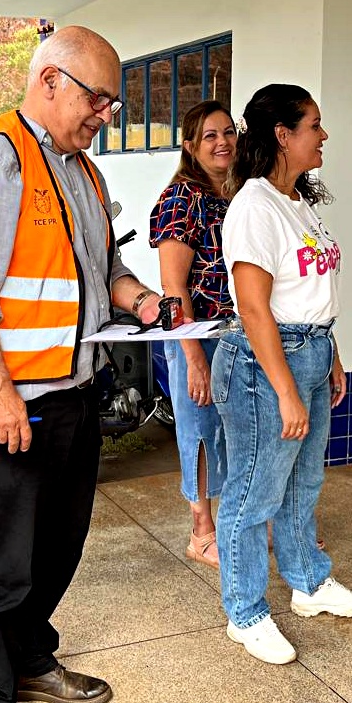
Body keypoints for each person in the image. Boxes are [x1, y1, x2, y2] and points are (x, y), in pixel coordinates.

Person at [0, 25, 164, 703]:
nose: (106, 114)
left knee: (59, 541)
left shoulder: (83, 174)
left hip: (72, 391)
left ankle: (32, 656)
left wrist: (143, 299)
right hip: (8, 398)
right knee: (1, 554)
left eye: (112, 103)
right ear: (50, 80)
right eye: (98, 98)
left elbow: (105, 268)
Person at [212, 83, 352, 666]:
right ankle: (246, 612)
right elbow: (254, 307)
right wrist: (285, 389)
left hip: (309, 350)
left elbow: (311, 291)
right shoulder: (254, 205)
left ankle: (308, 582)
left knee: (304, 482)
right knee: (253, 492)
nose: (323, 135)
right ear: (283, 134)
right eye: (314, 125)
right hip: (266, 362)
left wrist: (330, 354)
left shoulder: (297, 203)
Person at [149, 100, 235, 569]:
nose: (222, 142)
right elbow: (172, 288)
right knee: (200, 432)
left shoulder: (239, 194)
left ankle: (240, 521)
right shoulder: (181, 198)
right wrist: (194, 357)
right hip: (196, 336)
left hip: (239, 335)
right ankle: (201, 531)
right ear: (190, 145)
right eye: (209, 135)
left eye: (228, 132)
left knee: (240, 431)